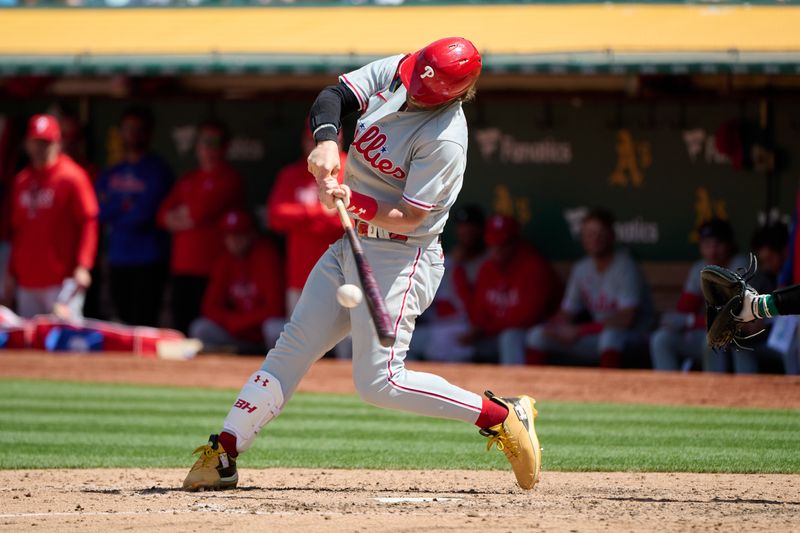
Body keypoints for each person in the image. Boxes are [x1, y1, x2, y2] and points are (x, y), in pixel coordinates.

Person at [182, 37, 541, 493]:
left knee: (379, 383)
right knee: (292, 348)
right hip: (351, 246)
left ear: (450, 95)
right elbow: (333, 98)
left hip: (402, 255)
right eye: (412, 79)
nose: (408, 89)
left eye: (421, 90)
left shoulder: (445, 139)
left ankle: (504, 416)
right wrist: (328, 141)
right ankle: (225, 452)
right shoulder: (404, 68)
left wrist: (357, 201)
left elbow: (412, 218)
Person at [526, 208, 654, 368]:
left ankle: (608, 389)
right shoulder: (581, 268)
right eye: (589, 233)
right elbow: (568, 311)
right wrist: (553, 327)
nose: (595, 238)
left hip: (635, 336)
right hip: (596, 334)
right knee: (537, 335)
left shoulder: (626, 266)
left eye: (600, 233)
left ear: (611, 236)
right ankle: (532, 388)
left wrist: (580, 330)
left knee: (611, 336)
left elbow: (626, 318)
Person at [4, 114, 98, 319]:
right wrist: (10, 272)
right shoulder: (22, 181)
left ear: (58, 143)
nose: (40, 148)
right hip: (27, 280)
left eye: (45, 143)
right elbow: (18, 231)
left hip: (62, 280)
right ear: (27, 143)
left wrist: (84, 265)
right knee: (29, 345)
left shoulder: (72, 177)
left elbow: (89, 222)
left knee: (64, 341)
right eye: (35, 142)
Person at [157, 120, 244, 334]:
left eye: (215, 142)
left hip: (212, 268)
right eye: (204, 142)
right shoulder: (189, 179)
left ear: (224, 147)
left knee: (202, 331)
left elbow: (198, 213)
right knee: (180, 330)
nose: (209, 148)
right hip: (182, 267)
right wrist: (182, 216)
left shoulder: (228, 178)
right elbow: (162, 216)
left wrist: (182, 214)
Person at [95, 107, 173, 327]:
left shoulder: (157, 169)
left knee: (145, 324)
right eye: (128, 129)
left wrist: (117, 207)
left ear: (149, 133)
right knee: (121, 324)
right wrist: (125, 206)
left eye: (139, 130)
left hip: (148, 258)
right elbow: (99, 210)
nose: (133, 134)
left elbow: (144, 213)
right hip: (118, 256)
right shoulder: (113, 171)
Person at [267, 123, 347, 315]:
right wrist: (318, 213)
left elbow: (351, 223)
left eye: (324, 141)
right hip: (301, 275)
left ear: (339, 141)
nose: (317, 146)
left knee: (350, 344)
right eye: (312, 141)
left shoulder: (353, 169)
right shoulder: (292, 174)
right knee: (299, 341)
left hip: (345, 274)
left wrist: (303, 222)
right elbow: (276, 216)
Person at [650, 219, 748, 372]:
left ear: (729, 245)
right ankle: (668, 392)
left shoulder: (740, 265)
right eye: (707, 245)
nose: (713, 251)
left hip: (743, 335)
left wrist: (689, 321)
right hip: (704, 331)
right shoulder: (700, 268)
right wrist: (674, 321)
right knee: (661, 339)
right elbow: (684, 308)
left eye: (718, 244)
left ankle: (714, 391)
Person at [463, 214, 560, 365]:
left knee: (510, 337)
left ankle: (515, 385)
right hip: (491, 333)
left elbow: (527, 319)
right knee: (452, 342)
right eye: (493, 243)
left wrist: (485, 329)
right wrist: (479, 328)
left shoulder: (534, 267)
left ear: (515, 241)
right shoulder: (488, 267)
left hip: (528, 334)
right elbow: (477, 311)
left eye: (503, 243)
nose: (497, 248)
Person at [189, 209, 285, 353]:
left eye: (239, 235)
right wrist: (231, 321)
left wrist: (241, 322)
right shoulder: (224, 260)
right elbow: (210, 307)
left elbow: (275, 308)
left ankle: (270, 361)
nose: (234, 240)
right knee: (200, 328)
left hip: (260, 332)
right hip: (237, 334)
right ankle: (237, 355)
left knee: (272, 328)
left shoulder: (266, 256)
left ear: (251, 234)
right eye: (229, 235)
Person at [409, 204, 487, 363]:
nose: (465, 232)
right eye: (462, 228)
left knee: (443, 343)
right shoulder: (448, 261)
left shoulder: (488, 263)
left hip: (467, 326)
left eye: (470, 228)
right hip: (440, 324)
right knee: (400, 344)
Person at [730, 223, 796, 374]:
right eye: (763, 260)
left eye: (770, 258)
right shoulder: (764, 277)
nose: (766, 265)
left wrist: (766, 320)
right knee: (741, 346)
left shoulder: (794, 271)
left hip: (792, 339)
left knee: (792, 347)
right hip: (773, 339)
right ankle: (747, 394)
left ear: (786, 251)